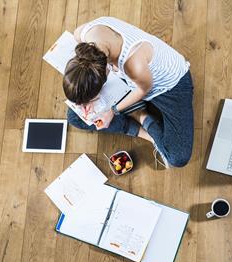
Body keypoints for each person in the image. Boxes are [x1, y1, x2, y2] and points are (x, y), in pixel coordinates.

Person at [63, 17, 194, 168]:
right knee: (74, 117)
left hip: (169, 87)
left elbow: (144, 89)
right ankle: (147, 134)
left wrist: (112, 110)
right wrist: (87, 99)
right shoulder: (82, 34)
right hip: (130, 80)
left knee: (177, 157)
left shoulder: (133, 65)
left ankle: (141, 115)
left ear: (104, 75)